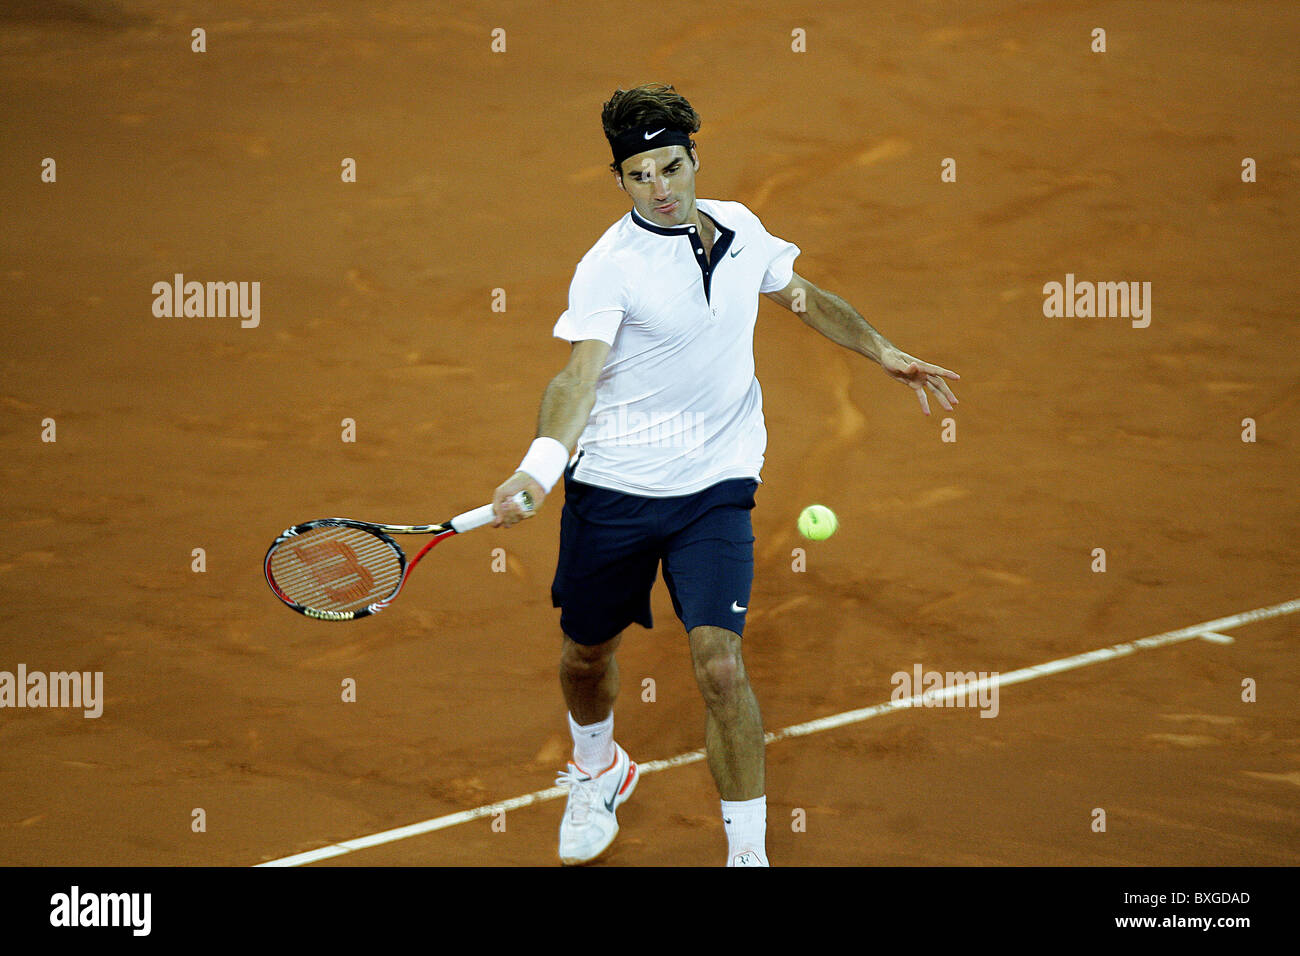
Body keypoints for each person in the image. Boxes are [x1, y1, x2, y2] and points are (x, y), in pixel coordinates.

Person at [491, 83, 959, 867]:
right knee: (585, 655)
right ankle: (600, 766)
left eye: (671, 168)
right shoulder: (611, 266)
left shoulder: (740, 228)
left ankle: (749, 855)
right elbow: (576, 380)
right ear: (621, 182)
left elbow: (803, 297)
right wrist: (539, 469)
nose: (660, 189)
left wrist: (883, 350)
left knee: (718, 662)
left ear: (695, 159)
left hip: (716, 484)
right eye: (640, 176)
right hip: (617, 489)